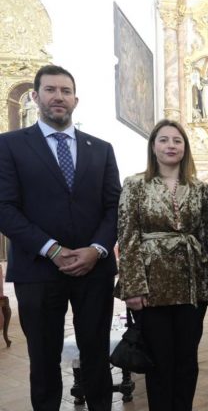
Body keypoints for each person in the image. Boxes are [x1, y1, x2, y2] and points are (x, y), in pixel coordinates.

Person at [0, 65, 121, 411]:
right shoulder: (9, 146)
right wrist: (51, 249)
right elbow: (4, 207)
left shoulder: (101, 149)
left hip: (93, 270)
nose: (58, 97)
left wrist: (96, 250)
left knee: (97, 354)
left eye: (65, 91)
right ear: (35, 97)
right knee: (43, 359)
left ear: (75, 99)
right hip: (37, 270)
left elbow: (114, 207)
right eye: (51, 90)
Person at [115, 120, 208, 410]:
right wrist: (133, 287)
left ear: (185, 148)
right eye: (164, 140)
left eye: (177, 140)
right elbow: (128, 236)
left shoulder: (198, 188)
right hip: (151, 286)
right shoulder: (135, 184)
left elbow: (206, 237)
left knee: (187, 358)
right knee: (159, 360)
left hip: (191, 285)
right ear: (153, 147)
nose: (171, 145)